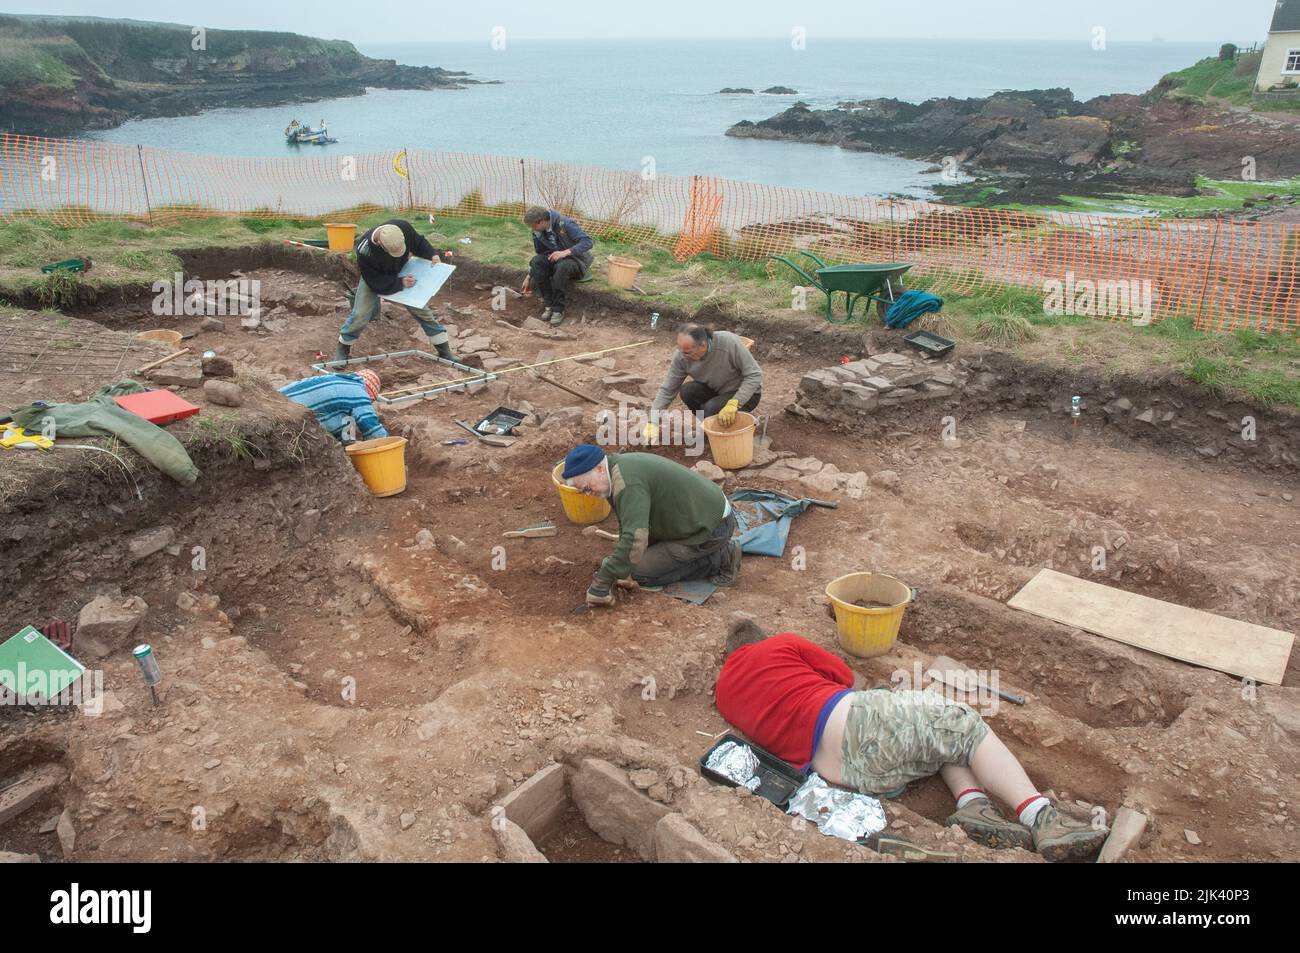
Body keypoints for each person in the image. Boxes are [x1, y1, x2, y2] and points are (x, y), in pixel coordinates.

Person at [714, 620, 1111, 862]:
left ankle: (974, 807)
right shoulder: (779, 644)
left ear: (730, 655)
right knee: (965, 723)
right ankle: (1040, 816)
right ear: (758, 640)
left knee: (937, 738)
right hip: (855, 724)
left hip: (847, 775)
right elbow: (846, 678)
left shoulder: (724, 694)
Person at [561, 444, 742, 606]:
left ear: (599, 468)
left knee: (641, 573)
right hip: (696, 517)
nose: (587, 493)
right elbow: (629, 525)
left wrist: (604, 579)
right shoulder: (615, 469)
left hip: (710, 528)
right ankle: (709, 554)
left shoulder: (627, 482)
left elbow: (635, 537)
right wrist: (619, 567)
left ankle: (719, 559)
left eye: (586, 487)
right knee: (630, 563)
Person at [334, 219, 454, 364]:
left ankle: (444, 351)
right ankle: (343, 347)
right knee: (360, 314)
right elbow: (374, 281)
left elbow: (418, 242)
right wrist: (400, 283)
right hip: (375, 276)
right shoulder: (364, 249)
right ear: (381, 245)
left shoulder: (402, 227)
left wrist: (432, 254)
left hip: (401, 270)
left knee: (421, 309)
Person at [643, 324, 762, 444]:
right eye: (681, 351)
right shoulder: (682, 357)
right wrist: (652, 421)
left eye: (688, 353)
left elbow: (754, 374)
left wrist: (735, 402)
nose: (683, 356)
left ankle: (727, 431)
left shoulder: (728, 343)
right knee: (688, 391)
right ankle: (711, 428)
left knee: (711, 408)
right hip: (717, 390)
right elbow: (668, 389)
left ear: (703, 345)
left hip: (745, 394)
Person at [521, 206, 594, 326]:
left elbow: (587, 242)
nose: (533, 229)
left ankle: (558, 310)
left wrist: (564, 253)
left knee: (562, 267)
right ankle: (548, 305)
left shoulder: (565, 223)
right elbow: (540, 254)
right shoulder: (537, 232)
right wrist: (529, 275)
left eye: (534, 226)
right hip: (555, 258)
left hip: (575, 260)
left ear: (542, 221)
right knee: (536, 261)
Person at [281, 368, 387, 444]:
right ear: (370, 392)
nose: (370, 403)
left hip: (273, 401)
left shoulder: (337, 381)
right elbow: (375, 433)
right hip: (285, 421)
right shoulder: (358, 393)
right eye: (371, 400)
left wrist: (350, 443)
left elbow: (336, 424)